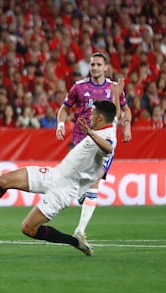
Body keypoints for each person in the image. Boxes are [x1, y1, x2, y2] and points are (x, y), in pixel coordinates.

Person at [0, 100, 118, 256]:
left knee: (28, 228)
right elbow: (114, 114)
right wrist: (115, 97)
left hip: (65, 188)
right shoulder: (107, 127)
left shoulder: (106, 136)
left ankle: (75, 242)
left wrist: (89, 132)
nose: (90, 118)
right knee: (5, 180)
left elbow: (108, 149)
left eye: (93, 114)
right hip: (54, 174)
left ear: (101, 118)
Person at [55, 52, 132, 239]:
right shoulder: (79, 87)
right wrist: (61, 124)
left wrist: (127, 127)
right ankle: (81, 194)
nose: (95, 67)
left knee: (94, 182)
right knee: (74, 180)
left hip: (104, 140)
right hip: (82, 140)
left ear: (106, 67)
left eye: (98, 64)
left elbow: (125, 109)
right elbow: (64, 108)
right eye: (92, 64)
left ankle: (80, 230)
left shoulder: (113, 88)